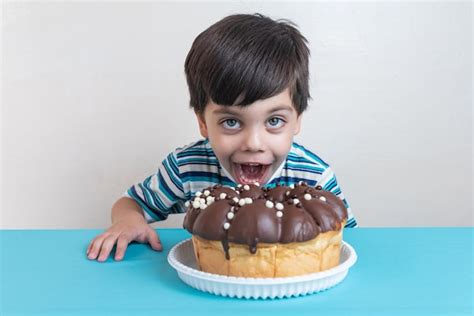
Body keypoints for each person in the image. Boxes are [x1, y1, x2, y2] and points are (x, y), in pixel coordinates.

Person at [87, 13, 358, 262]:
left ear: (297, 119)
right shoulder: (187, 168)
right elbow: (131, 202)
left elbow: (348, 239)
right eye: (231, 122)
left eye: (274, 121)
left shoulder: (314, 176)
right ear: (203, 122)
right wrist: (128, 221)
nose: (253, 143)